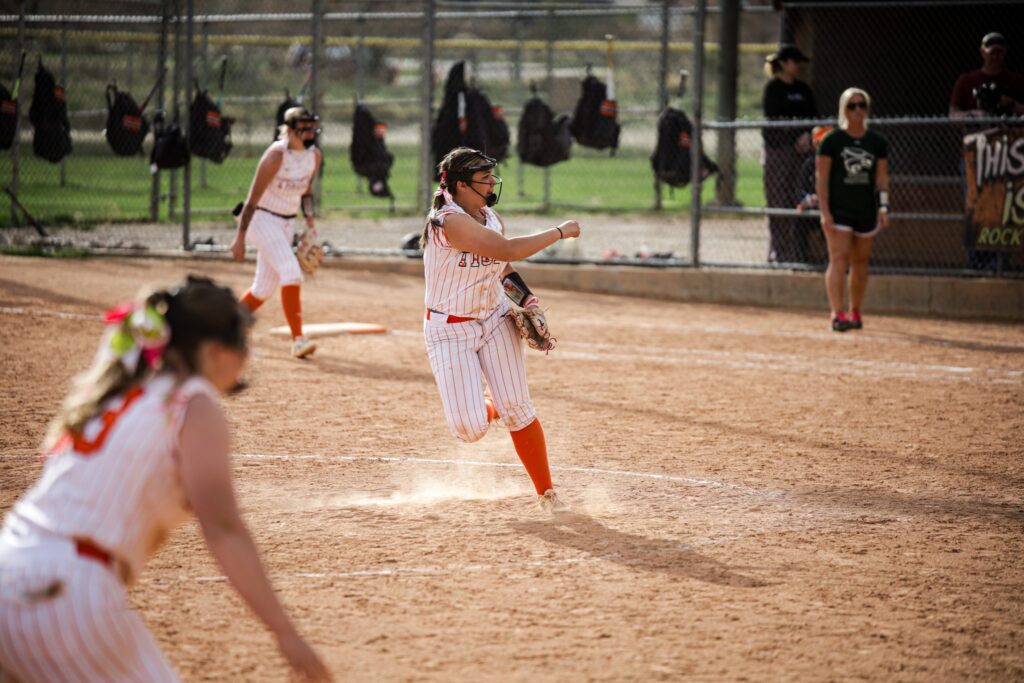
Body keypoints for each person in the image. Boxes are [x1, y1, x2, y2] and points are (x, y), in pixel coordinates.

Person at [0, 276, 331, 681]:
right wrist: (285, 633)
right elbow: (223, 529)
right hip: (65, 593)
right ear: (212, 350)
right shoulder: (194, 401)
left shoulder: (123, 387)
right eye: (240, 344)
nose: (245, 357)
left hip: (10, 566)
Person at [419, 147, 580, 513]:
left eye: (492, 176)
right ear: (460, 185)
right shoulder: (447, 221)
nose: (492, 183)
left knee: (519, 409)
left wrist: (529, 300)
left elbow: (502, 266)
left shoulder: (490, 217)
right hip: (449, 331)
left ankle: (547, 493)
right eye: (484, 178)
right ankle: (487, 407)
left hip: (492, 320)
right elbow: (508, 248)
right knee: (470, 428)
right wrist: (559, 231)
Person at [231, 106, 323, 359]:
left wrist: (310, 219)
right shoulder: (275, 156)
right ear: (290, 130)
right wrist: (240, 238)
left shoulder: (314, 156)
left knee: (262, 289)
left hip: (287, 223)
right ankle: (298, 341)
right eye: (304, 128)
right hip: (261, 218)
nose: (310, 133)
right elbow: (251, 201)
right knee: (291, 271)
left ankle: (225, 327)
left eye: (312, 128)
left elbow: (306, 191)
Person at [816, 88, 889, 332]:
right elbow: (822, 178)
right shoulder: (832, 141)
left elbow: (881, 179)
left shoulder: (876, 142)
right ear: (843, 110)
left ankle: (855, 311)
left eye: (861, 105)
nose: (857, 110)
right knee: (838, 258)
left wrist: (884, 207)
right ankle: (837, 314)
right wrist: (824, 211)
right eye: (852, 106)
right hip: (839, 209)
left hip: (865, 209)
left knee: (860, 261)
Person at [762, 44, 817, 264]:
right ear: (783, 64)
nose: (798, 67)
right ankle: (779, 251)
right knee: (778, 199)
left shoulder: (804, 90)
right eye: (794, 62)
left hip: (802, 153)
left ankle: (797, 251)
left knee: (799, 199)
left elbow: (814, 117)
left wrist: (806, 135)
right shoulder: (773, 89)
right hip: (779, 152)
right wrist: (795, 136)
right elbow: (774, 119)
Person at [949, 32, 1024, 119]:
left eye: (999, 52)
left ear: (1005, 52)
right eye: (992, 53)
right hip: (977, 131)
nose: (995, 57)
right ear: (982, 52)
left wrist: (1011, 104)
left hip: (1008, 130)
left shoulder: (1016, 80)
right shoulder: (966, 80)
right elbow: (953, 114)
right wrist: (973, 115)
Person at [791, 125, 832, 265]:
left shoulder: (837, 164)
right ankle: (800, 261)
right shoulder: (809, 164)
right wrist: (807, 198)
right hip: (812, 210)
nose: (822, 146)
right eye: (818, 143)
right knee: (798, 222)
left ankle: (831, 261)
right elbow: (799, 190)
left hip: (831, 211)